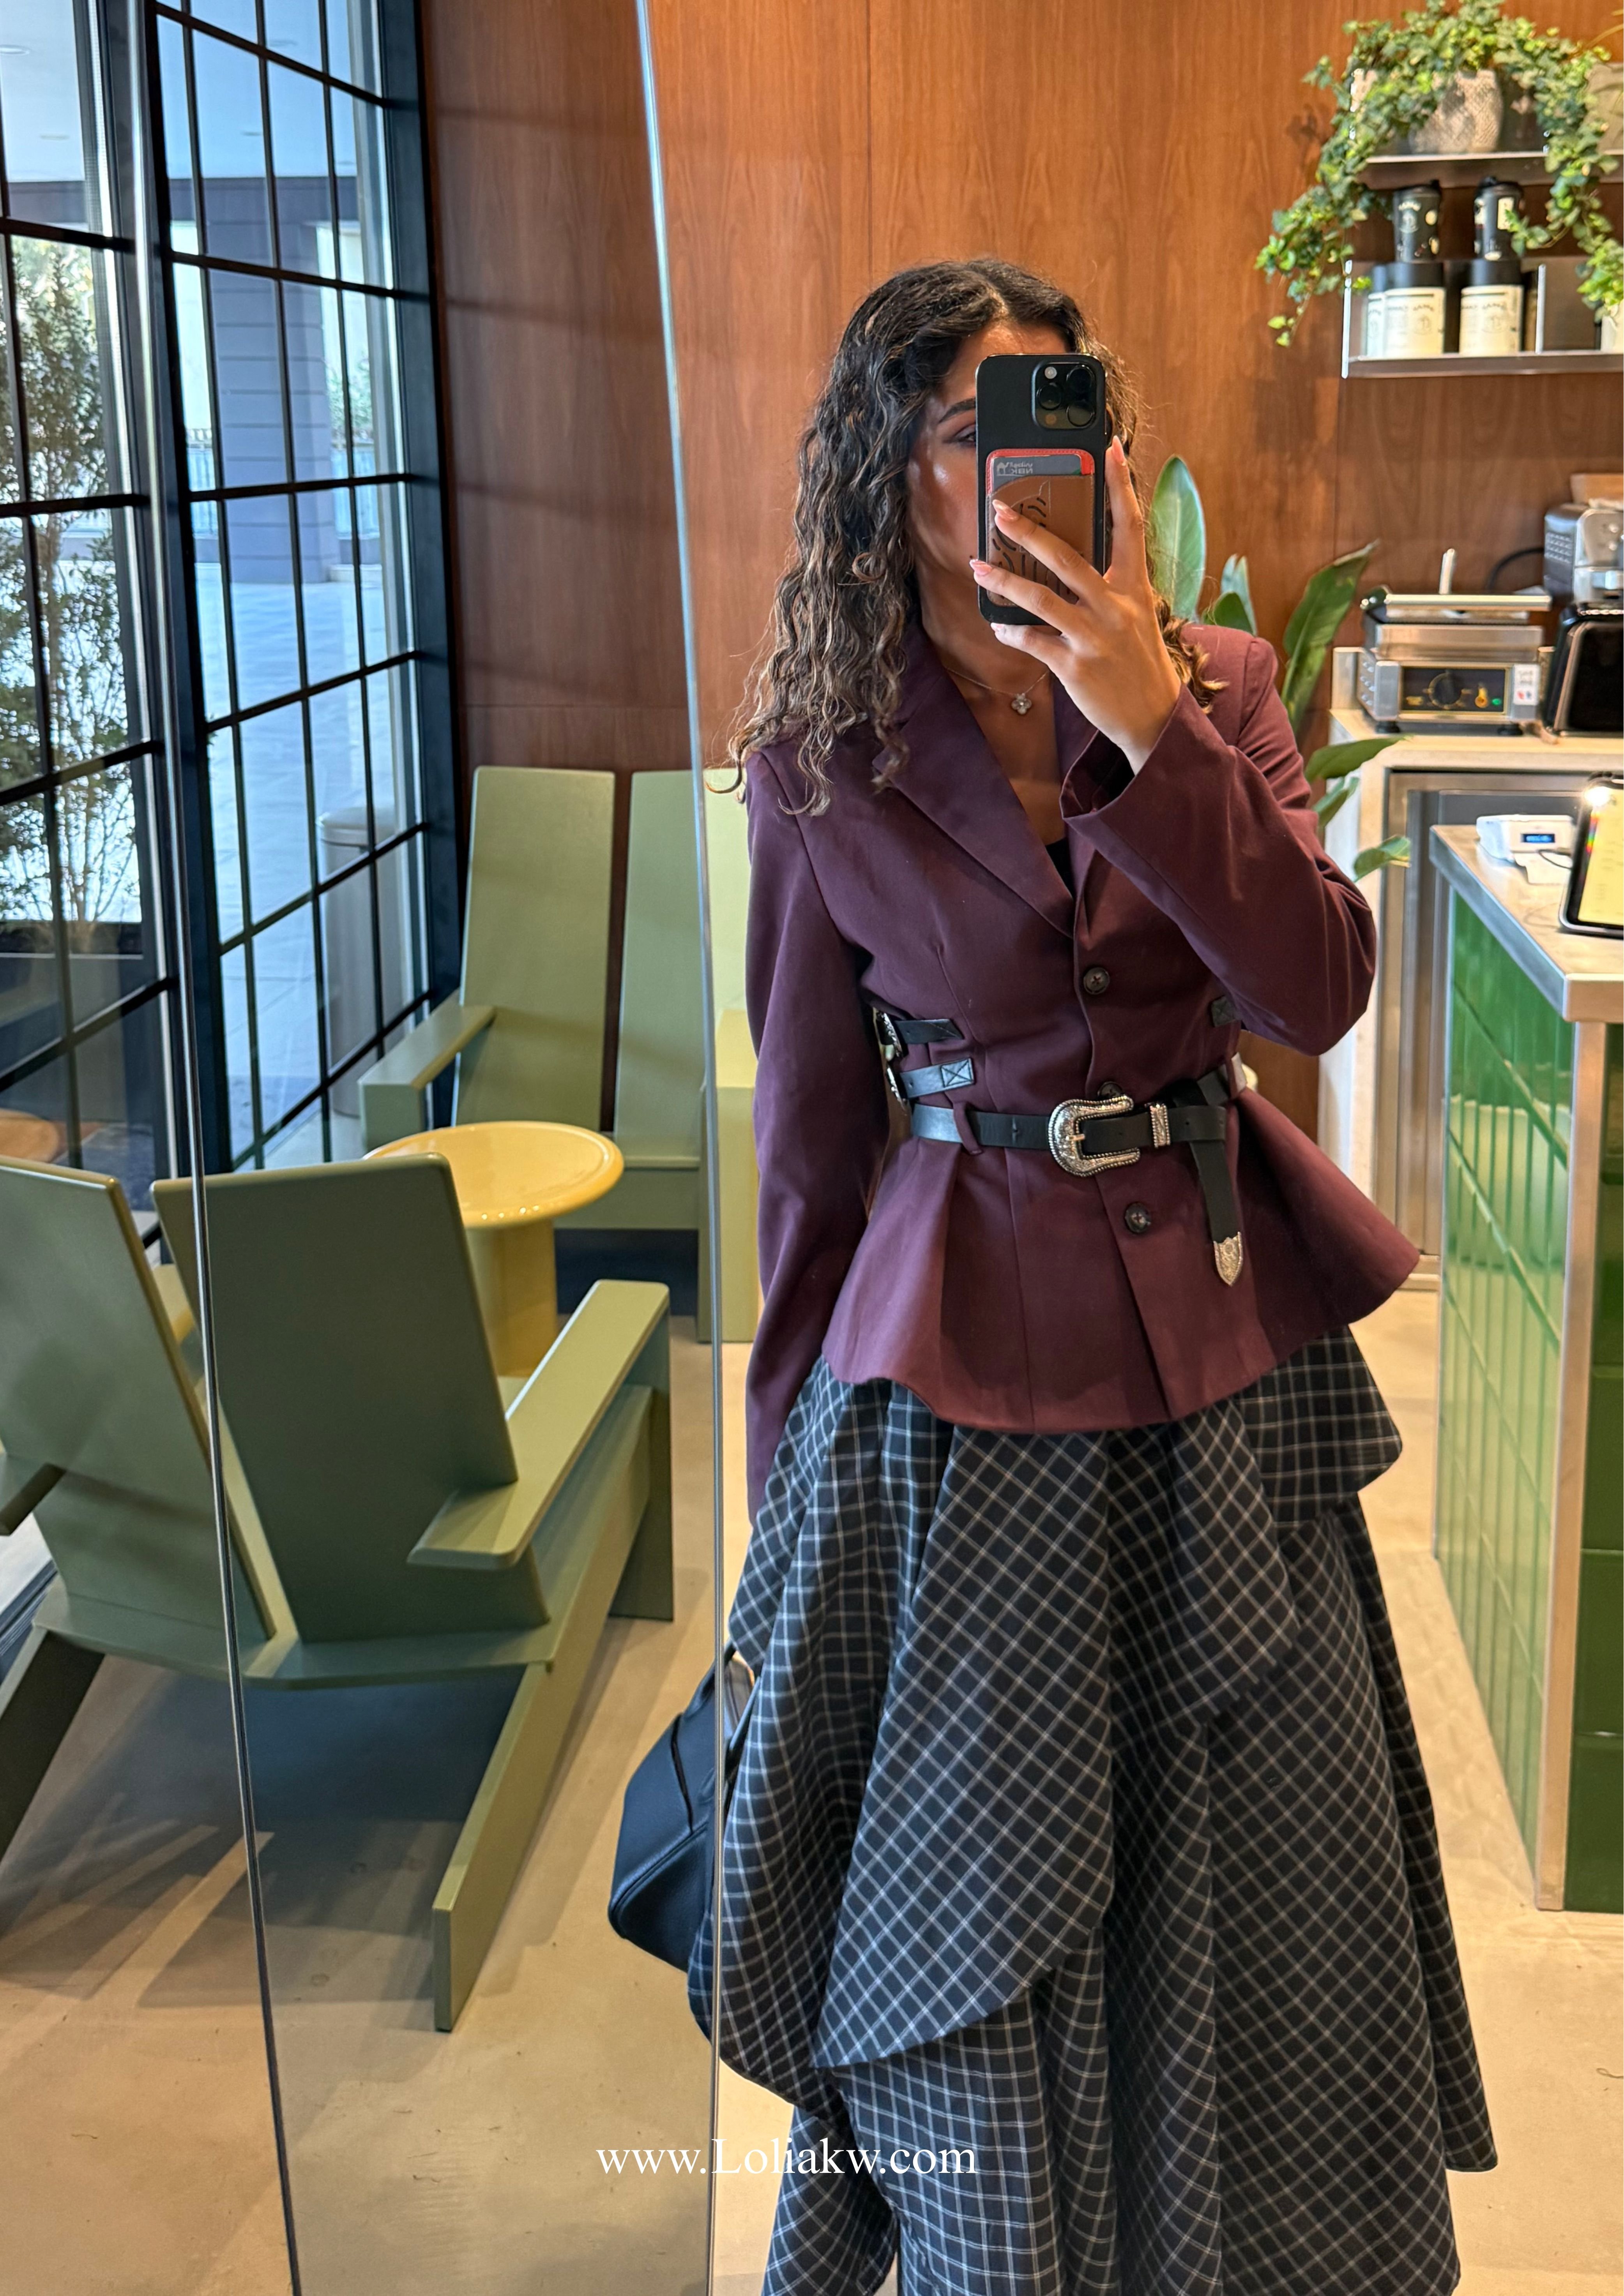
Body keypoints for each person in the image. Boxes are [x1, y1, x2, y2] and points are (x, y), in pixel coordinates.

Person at [688, 257, 1494, 2296]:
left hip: (1224, 1367)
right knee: (982, 1894)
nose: (1051, 472)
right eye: (990, 432)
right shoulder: (821, 755)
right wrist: (783, 1524)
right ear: (890, 470)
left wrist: (1150, 726)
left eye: (1079, 425)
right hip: (964, 1395)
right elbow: (809, 1158)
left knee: (1260, 1867)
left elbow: (1313, 990)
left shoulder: (1212, 683)